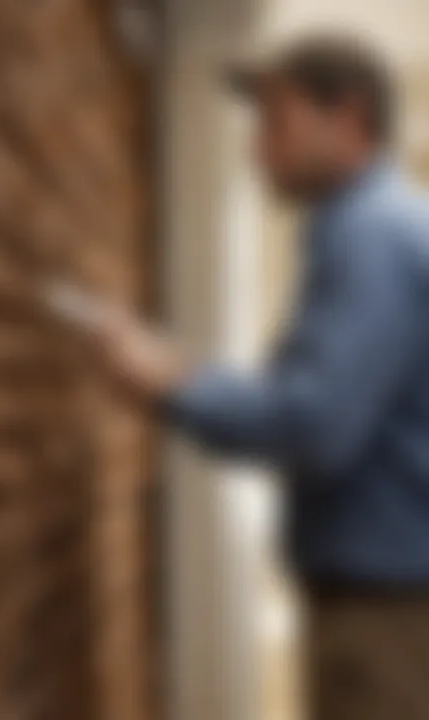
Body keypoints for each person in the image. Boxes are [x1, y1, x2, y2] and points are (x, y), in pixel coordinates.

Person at [73, 33, 429, 720]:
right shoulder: (376, 226)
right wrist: (186, 372)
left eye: (277, 121)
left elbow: (317, 426)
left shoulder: (370, 235)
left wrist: (167, 384)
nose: (256, 148)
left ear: (348, 118)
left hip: (388, 610)